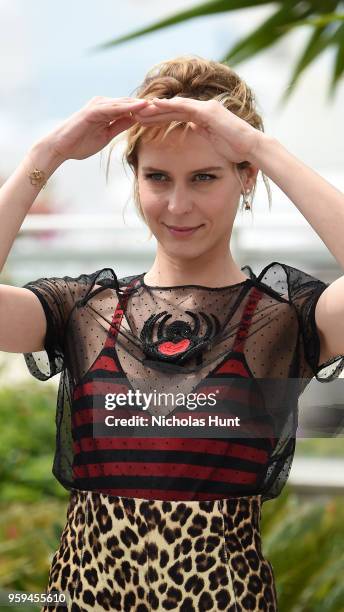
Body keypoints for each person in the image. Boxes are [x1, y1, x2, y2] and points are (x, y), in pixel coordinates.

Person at [0, 54, 344, 612]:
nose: (178, 205)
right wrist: (47, 154)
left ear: (245, 178)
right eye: (157, 177)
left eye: (204, 177)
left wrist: (260, 146)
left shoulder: (279, 318)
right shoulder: (88, 309)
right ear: (135, 179)